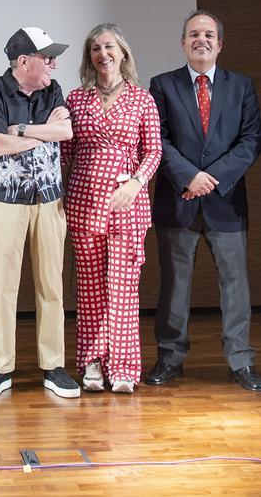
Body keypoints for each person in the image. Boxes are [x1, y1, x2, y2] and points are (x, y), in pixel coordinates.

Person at [146, 11, 261, 392]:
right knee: (174, 286)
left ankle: (241, 361)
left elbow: (251, 141)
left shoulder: (241, 85)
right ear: (183, 42)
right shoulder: (162, 85)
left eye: (209, 34)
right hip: (178, 199)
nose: (202, 40)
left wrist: (211, 181)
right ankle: (169, 358)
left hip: (226, 202)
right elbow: (157, 140)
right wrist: (189, 177)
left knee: (236, 286)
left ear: (220, 43)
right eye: (194, 34)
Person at [0, 27, 79, 400]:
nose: (53, 63)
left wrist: (21, 128)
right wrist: (43, 131)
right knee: (1, 287)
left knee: (51, 284)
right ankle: (0, 368)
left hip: (49, 200)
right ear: (23, 61)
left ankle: (54, 366)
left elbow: (66, 134)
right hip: (4, 202)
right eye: (46, 57)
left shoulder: (54, 89)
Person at [61, 23, 161, 394]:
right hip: (84, 201)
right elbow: (65, 154)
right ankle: (91, 363)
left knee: (122, 288)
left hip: (126, 204)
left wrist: (136, 183)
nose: (103, 54)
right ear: (90, 57)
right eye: (95, 49)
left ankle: (122, 366)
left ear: (122, 53)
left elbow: (153, 150)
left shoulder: (141, 98)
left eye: (109, 47)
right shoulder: (75, 99)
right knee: (89, 288)